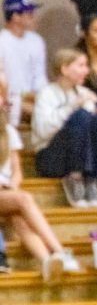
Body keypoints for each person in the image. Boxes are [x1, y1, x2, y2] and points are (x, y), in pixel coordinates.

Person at [0, 111, 83, 280]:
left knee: (18, 218)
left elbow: (17, 171)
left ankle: (46, 261)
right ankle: (59, 251)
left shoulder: (8, 132)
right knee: (25, 199)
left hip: (6, 192)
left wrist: (12, 186)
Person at [32, 48, 97, 207]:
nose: (86, 70)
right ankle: (74, 178)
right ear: (64, 69)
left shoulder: (84, 92)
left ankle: (92, 179)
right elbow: (43, 131)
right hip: (51, 157)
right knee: (81, 116)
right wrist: (72, 106)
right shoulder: (46, 93)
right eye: (81, 65)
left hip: (81, 158)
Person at [0, 0, 50, 123]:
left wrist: (41, 95)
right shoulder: (2, 41)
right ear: (15, 16)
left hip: (32, 97)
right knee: (44, 116)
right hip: (9, 99)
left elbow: (39, 75)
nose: (34, 17)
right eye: (29, 13)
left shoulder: (36, 40)